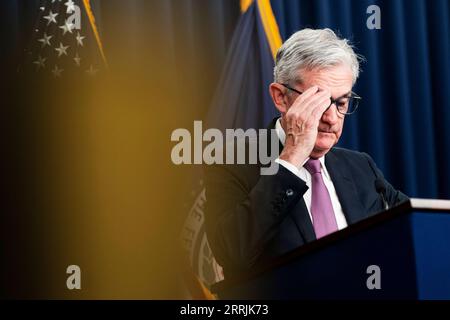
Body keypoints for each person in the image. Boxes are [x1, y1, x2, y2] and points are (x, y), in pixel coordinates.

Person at [204, 28, 408, 278]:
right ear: (281, 97)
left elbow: (416, 228)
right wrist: (291, 159)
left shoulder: (361, 167)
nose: (332, 118)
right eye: (318, 102)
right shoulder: (231, 161)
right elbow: (232, 253)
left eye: (341, 103)